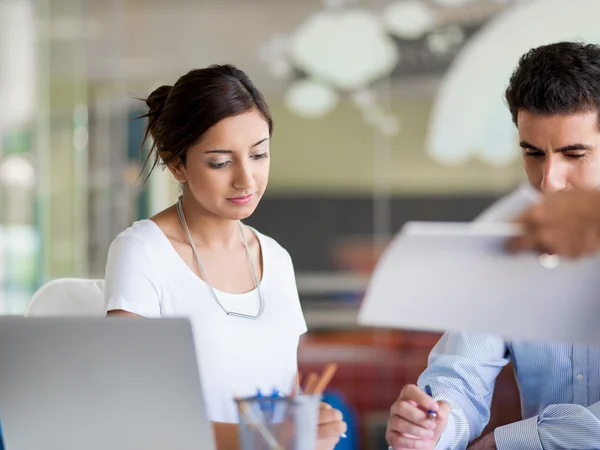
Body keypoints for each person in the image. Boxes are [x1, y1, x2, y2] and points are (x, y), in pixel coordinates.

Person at [104, 64, 346, 450]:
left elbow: (286, 398)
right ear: (175, 163)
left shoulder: (276, 259)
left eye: (259, 155)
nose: (246, 179)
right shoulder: (143, 252)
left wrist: (309, 427)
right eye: (220, 162)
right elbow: (130, 408)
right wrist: (262, 438)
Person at [386, 42, 600, 450]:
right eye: (534, 154)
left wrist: (509, 442)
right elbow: (460, 376)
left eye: (574, 154)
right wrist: (432, 426)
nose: (549, 179)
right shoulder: (508, 241)